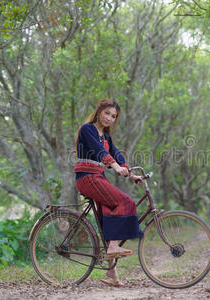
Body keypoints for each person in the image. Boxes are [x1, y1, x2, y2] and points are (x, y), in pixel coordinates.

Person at [74, 98, 144, 287]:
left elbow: (116, 154)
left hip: (98, 178)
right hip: (87, 177)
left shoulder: (106, 136)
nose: (109, 118)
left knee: (107, 220)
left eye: (113, 116)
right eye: (107, 113)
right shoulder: (87, 129)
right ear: (99, 112)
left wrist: (130, 173)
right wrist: (114, 165)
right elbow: (98, 152)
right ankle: (113, 246)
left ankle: (112, 274)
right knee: (125, 202)